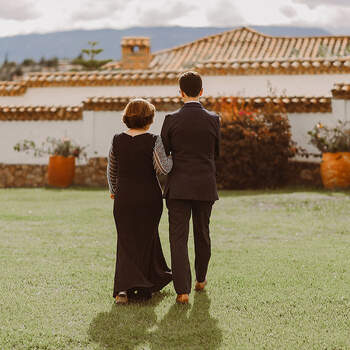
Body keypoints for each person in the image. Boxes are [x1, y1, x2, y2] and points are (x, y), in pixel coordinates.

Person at [161, 71, 220, 304]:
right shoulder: (214, 119)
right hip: (205, 184)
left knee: (178, 237)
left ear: (180, 93)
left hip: (178, 186)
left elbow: (163, 155)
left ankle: (182, 291)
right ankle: (201, 279)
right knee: (202, 232)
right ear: (202, 91)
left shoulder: (170, 119)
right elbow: (216, 153)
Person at [107, 98, 173, 304]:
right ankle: (145, 285)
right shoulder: (154, 140)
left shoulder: (117, 139)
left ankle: (123, 291)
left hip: (124, 196)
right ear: (149, 118)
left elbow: (112, 169)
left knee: (125, 241)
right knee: (147, 238)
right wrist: (174, 156)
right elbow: (163, 169)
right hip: (148, 197)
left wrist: (113, 191)